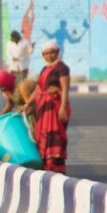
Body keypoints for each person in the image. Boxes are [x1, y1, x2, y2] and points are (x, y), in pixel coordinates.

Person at [33, 39, 71, 173]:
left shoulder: (62, 68)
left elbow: (65, 89)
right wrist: (27, 104)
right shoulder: (44, 69)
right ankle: (46, 166)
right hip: (44, 109)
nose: (49, 55)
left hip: (55, 107)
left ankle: (56, 167)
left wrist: (62, 108)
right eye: (46, 53)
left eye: (52, 52)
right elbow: (38, 89)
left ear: (57, 52)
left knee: (55, 136)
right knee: (43, 136)